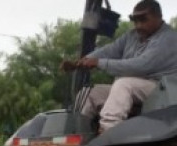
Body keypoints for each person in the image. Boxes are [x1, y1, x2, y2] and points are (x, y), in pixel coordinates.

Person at [61, 0, 177, 132]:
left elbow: (140, 66)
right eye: (135, 20)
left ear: (158, 17)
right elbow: (110, 50)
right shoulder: (132, 35)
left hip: (162, 89)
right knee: (90, 93)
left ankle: (108, 131)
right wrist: (82, 61)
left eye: (143, 20)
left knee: (124, 84)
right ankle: (78, 132)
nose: (138, 25)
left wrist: (99, 62)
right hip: (135, 87)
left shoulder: (169, 38)